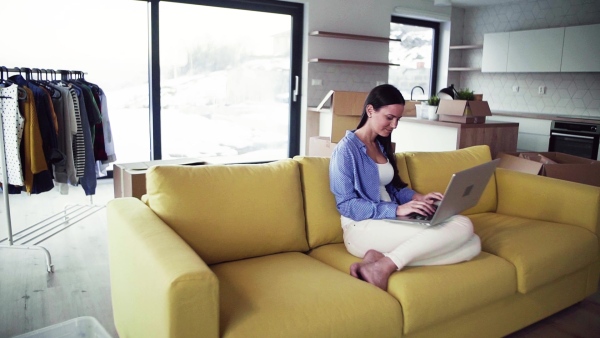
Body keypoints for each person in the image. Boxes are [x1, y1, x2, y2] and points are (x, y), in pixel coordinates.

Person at [329, 84, 481, 291]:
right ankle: (384, 266)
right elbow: (346, 205)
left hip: (389, 222)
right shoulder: (345, 150)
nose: (395, 125)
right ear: (370, 110)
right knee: (464, 232)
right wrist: (397, 209)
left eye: (398, 119)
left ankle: (380, 260)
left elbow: (392, 190)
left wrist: (417, 197)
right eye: (390, 117)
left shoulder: (381, 145)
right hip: (361, 227)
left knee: (472, 240)